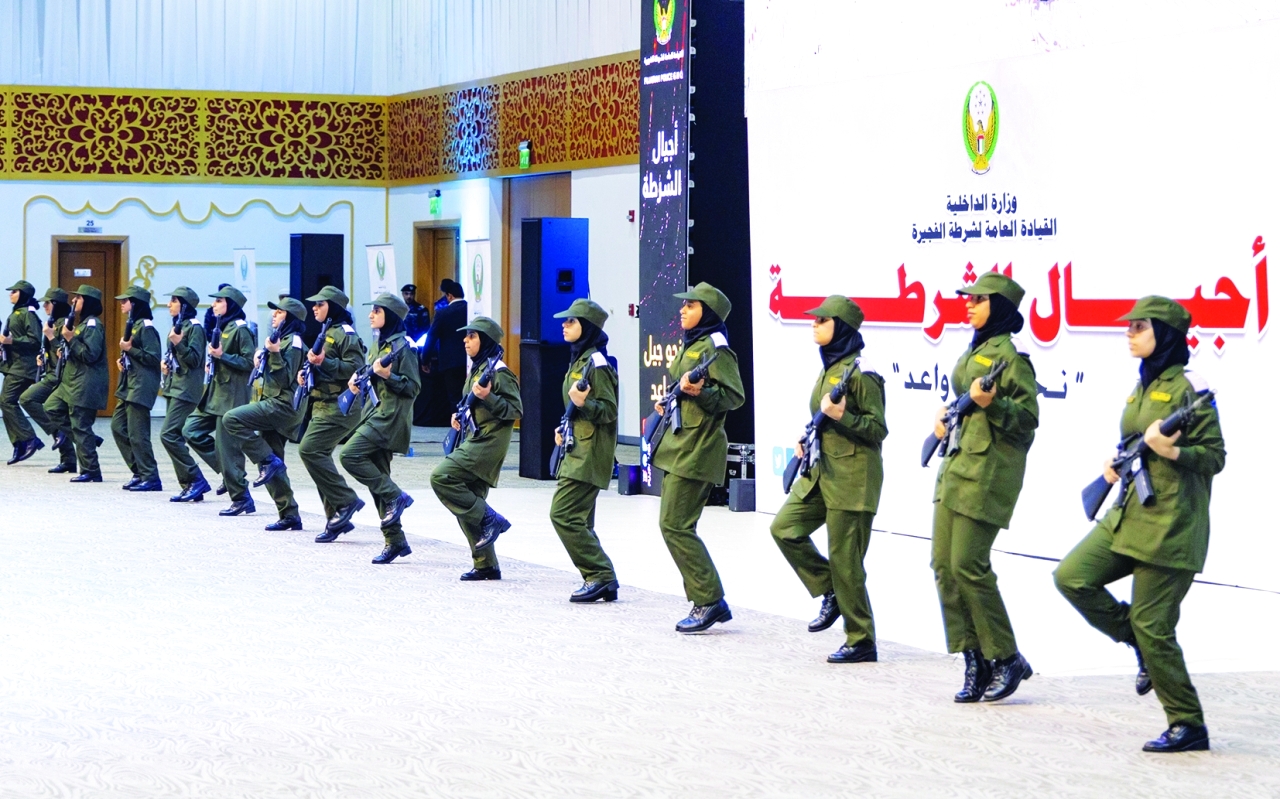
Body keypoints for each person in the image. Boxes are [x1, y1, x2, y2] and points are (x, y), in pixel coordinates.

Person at [1054, 297, 1225, 753]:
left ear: (1164, 334)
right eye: (1128, 326)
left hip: (1171, 523)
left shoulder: (1190, 387)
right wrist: (1116, 460)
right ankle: (1136, 642)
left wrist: (1172, 451)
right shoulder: (1143, 383)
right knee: (1071, 576)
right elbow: (1135, 438)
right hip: (1128, 513)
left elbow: (1215, 457)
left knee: (1155, 626)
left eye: (1138, 327)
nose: (1128, 333)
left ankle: (1188, 724)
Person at [929, 272, 1039, 703]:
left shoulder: (1011, 357)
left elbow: (1027, 420)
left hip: (988, 472)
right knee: (944, 566)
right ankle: (974, 659)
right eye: (968, 299)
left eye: (978, 299)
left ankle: (1007, 657)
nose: (968, 304)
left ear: (1000, 307)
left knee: (968, 564)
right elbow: (966, 398)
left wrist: (993, 405)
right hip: (956, 466)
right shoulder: (976, 348)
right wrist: (946, 413)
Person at [769, 296, 887, 662]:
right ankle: (831, 589)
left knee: (846, 560)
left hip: (853, 476)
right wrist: (810, 436)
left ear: (842, 327)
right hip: (822, 471)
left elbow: (878, 429)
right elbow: (823, 415)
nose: (814, 324)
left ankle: (861, 639)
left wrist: (841, 417)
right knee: (784, 528)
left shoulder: (862, 372)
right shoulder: (831, 366)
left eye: (822, 320)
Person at [651, 282, 746, 633]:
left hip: (699, 447)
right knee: (674, 525)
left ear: (707, 312)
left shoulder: (716, 348)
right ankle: (706, 599)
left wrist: (701, 393)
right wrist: (673, 398)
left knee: (675, 525)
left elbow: (734, 396)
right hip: (680, 445)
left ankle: (709, 600)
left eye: (690, 305)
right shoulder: (694, 343)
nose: (682, 310)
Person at [429, 316, 521, 580]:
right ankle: (486, 564)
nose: (465, 340)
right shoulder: (480, 368)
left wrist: (487, 396)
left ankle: (491, 518)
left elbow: (515, 410)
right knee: (468, 501)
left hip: (488, 443)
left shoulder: (500, 372)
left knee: (441, 477)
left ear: (486, 340)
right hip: (475, 437)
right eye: (466, 336)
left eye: (472, 336)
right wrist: (460, 415)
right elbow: (472, 403)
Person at [338, 293, 421, 563]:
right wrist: (359, 379)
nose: (371, 315)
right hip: (374, 413)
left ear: (391, 316)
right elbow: (371, 372)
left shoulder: (404, 347)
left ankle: (397, 495)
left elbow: (413, 387)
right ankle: (394, 540)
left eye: (377, 311)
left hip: (389, 418)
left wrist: (390, 376)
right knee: (378, 481)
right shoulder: (379, 343)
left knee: (349, 455)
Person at [549, 299, 620, 602]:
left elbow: (609, 411)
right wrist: (567, 424)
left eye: (571, 321)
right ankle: (599, 579)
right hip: (577, 448)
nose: (564, 325)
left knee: (563, 514)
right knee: (581, 520)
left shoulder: (597, 364)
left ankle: (600, 574)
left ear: (587, 327)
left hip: (589, 453)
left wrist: (584, 403)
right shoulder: (581, 359)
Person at [217, 297, 309, 526]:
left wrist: (274, 353)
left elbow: (285, 379)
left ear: (290, 317)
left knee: (231, 418)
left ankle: (268, 459)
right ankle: (289, 514)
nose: (274, 315)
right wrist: (263, 357)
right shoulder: (282, 339)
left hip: (283, 406)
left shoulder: (294, 342)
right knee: (270, 466)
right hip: (274, 402)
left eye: (279, 312)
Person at [299, 287, 369, 543]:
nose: (314, 308)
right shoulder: (327, 331)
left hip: (339, 406)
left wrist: (322, 362)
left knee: (309, 450)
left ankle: (346, 501)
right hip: (322, 404)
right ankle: (336, 518)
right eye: (314, 304)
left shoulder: (345, 333)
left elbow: (356, 369)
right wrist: (306, 373)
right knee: (318, 457)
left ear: (333, 307)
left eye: (320, 304)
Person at [177, 286, 255, 502]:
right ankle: (228, 472)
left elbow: (249, 363)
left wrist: (222, 357)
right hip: (215, 394)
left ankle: (241, 497)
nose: (213, 305)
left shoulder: (240, 329)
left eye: (219, 301)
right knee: (191, 430)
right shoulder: (222, 326)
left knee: (228, 448)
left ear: (230, 304)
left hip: (230, 396)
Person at [43, 284, 109, 482]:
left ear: (88, 302)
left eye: (78, 298)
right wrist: (60, 342)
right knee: (51, 407)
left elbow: (90, 354)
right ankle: (89, 440)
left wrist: (71, 339)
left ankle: (91, 470)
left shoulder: (93, 325)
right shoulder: (82, 324)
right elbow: (67, 350)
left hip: (85, 382)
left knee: (81, 425)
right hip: (71, 381)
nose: (73, 300)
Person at [160, 287, 211, 501]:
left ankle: (195, 479)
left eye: (174, 300)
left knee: (168, 434)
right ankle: (190, 484)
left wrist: (178, 343)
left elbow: (194, 360)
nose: (168, 304)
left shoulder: (195, 328)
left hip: (186, 389)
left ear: (184, 304)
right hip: (175, 386)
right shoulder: (180, 325)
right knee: (174, 435)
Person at [111, 286, 164, 491]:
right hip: (129, 384)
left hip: (141, 386)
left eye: (125, 301)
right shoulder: (134, 324)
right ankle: (139, 471)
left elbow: (153, 357)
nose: (121, 304)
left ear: (135, 303)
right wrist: (125, 357)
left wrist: (130, 350)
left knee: (138, 434)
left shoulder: (146, 327)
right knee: (118, 427)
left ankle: (150, 476)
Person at [19, 288, 71, 465]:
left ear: (56, 304)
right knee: (59, 414)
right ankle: (68, 460)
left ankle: (57, 431)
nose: (44, 306)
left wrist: (50, 336)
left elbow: (64, 353)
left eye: (47, 303)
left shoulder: (64, 324)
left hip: (58, 377)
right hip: (52, 372)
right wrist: (44, 358)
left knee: (27, 399)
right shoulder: (53, 322)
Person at [1, 280, 46, 464]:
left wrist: (12, 341)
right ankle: (19, 443)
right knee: (7, 402)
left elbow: (35, 340)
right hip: (15, 365)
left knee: (6, 401)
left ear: (23, 294)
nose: (10, 294)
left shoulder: (28, 313)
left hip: (24, 366)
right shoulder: (17, 313)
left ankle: (28, 438)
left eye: (14, 291)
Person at [419, 279, 468, 426]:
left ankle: (458, 427)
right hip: (470, 360)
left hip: (450, 361)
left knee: (454, 397)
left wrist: (425, 360)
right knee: (469, 394)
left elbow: (431, 337)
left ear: (449, 295)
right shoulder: (471, 310)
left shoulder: (442, 313)